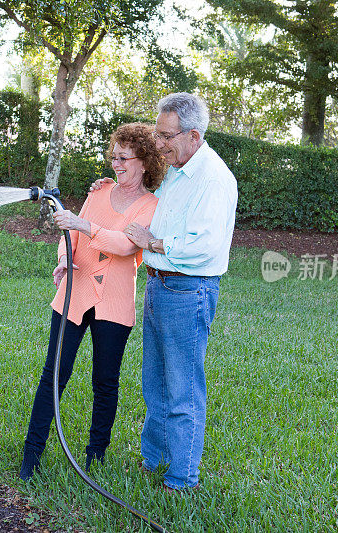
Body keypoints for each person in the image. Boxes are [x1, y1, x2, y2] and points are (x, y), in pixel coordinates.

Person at [98, 93, 238, 491]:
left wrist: (153, 242)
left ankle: (181, 479)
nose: (158, 144)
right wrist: (115, 188)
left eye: (165, 136)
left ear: (193, 135)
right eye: (157, 134)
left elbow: (206, 246)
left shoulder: (213, 179)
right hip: (160, 287)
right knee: (155, 382)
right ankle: (153, 459)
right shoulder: (179, 169)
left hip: (187, 291)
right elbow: (150, 207)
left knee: (182, 389)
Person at [19, 123, 165, 481]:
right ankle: (31, 456)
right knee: (54, 374)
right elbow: (69, 231)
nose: (116, 164)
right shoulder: (99, 192)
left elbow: (126, 245)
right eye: (113, 156)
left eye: (124, 158)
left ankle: (94, 457)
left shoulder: (152, 206)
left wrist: (83, 225)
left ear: (144, 162)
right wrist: (63, 257)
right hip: (75, 291)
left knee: (105, 381)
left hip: (114, 304)